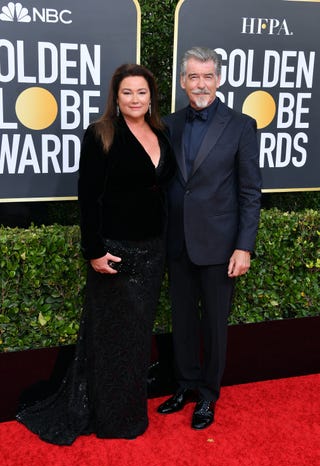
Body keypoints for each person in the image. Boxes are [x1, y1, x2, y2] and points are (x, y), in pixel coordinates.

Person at [16, 64, 176, 445]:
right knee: (110, 339)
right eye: (127, 93)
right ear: (116, 97)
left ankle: (129, 409)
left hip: (153, 251)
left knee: (138, 339)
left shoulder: (161, 132)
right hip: (115, 253)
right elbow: (88, 196)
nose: (135, 99)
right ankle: (111, 417)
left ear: (151, 96)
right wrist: (95, 251)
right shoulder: (101, 133)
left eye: (141, 92)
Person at [157, 47, 262, 430]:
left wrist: (244, 245)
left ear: (218, 79)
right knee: (182, 320)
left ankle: (207, 395)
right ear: (183, 81)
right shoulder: (167, 124)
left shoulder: (241, 125)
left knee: (214, 325)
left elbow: (250, 191)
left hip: (220, 245)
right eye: (193, 77)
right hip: (177, 242)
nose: (200, 84)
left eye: (207, 76)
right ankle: (185, 384)